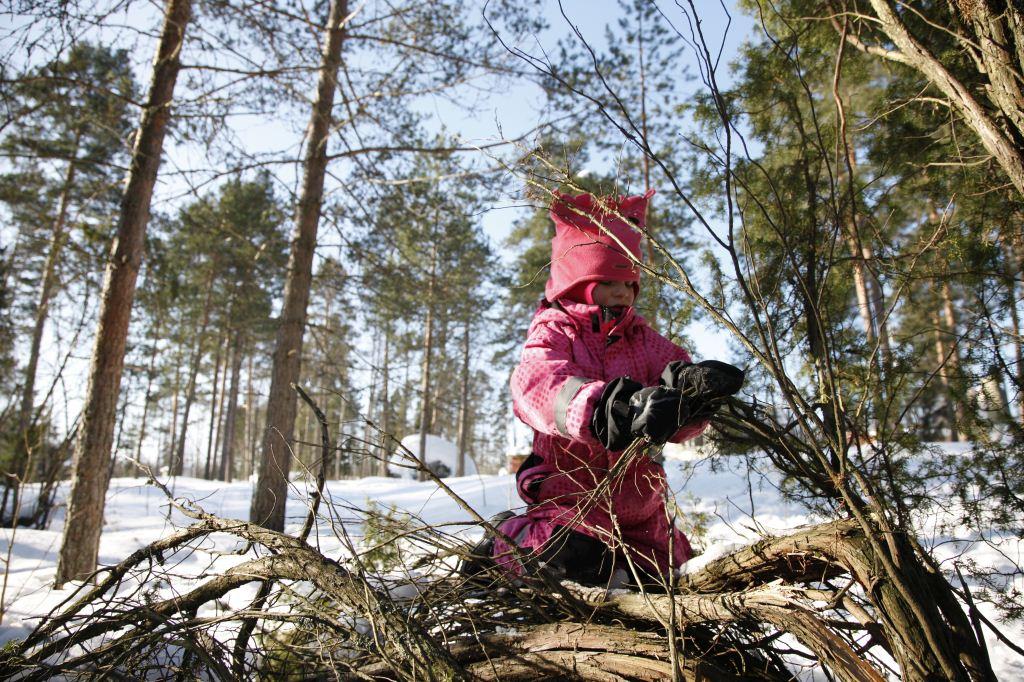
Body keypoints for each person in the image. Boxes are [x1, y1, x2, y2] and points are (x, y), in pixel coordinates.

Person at [464, 189, 743, 587]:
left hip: (641, 510)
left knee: (666, 582)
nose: (623, 292)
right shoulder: (555, 331)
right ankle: (503, 544)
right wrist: (600, 407)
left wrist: (692, 396)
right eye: (609, 280)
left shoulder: (643, 339)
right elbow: (537, 384)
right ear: (577, 281)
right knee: (571, 560)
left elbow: (671, 389)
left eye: (630, 282)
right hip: (572, 500)